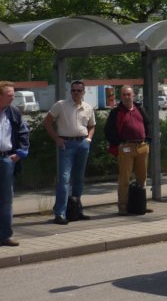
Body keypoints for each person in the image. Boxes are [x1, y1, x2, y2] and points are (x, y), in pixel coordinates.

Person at [44, 79, 96, 225]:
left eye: (79, 90)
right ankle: (60, 213)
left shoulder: (88, 107)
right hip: (66, 145)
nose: (76, 93)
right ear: (70, 91)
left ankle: (76, 209)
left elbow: (92, 125)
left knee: (79, 179)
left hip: (82, 144)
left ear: (83, 92)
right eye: (73, 90)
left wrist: (89, 139)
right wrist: (57, 138)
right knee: (64, 179)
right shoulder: (61, 105)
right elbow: (47, 122)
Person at [104, 85, 151, 215]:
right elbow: (108, 131)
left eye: (128, 94)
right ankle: (123, 206)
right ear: (121, 96)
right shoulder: (116, 112)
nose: (126, 97)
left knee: (142, 178)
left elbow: (147, 124)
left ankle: (140, 204)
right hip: (126, 148)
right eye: (124, 94)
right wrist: (118, 144)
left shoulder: (139, 109)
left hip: (142, 146)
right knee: (124, 179)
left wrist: (148, 140)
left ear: (133, 96)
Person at [0, 81, 30, 247]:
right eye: (9, 95)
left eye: (13, 94)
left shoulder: (14, 112)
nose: (13, 97)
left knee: (6, 199)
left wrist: (21, 152)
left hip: (6, 160)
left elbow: (24, 132)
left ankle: (5, 236)